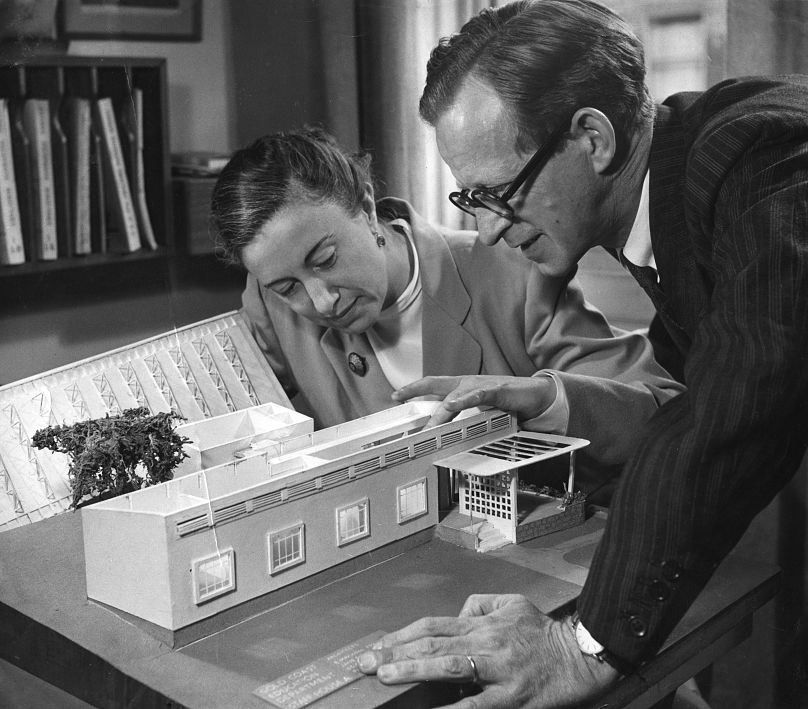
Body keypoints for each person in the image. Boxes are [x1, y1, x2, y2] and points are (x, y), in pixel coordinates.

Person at [357, 0, 808, 705]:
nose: (488, 230)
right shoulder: (676, 203)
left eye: (495, 194)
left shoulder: (752, 157)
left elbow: (737, 404)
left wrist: (583, 641)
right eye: (466, 198)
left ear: (592, 139)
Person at [210, 126, 681, 479]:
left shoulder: (514, 274)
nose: (321, 300)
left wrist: (545, 397)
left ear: (367, 207)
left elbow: (665, 413)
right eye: (288, 287)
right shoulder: (269, 306)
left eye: (326, 259)